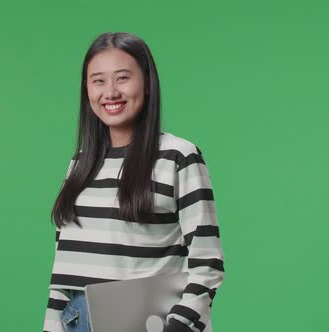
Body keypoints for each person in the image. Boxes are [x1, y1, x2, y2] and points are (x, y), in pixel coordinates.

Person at [42, 31, 225, 332]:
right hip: (75, 322)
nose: (110, 92)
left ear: (148, 83)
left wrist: (179, 326)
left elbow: (207, 263)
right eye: (98, 80)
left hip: (147, 323)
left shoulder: (177, 157)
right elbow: (64, 270)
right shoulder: (80, 164)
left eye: (123, 78)